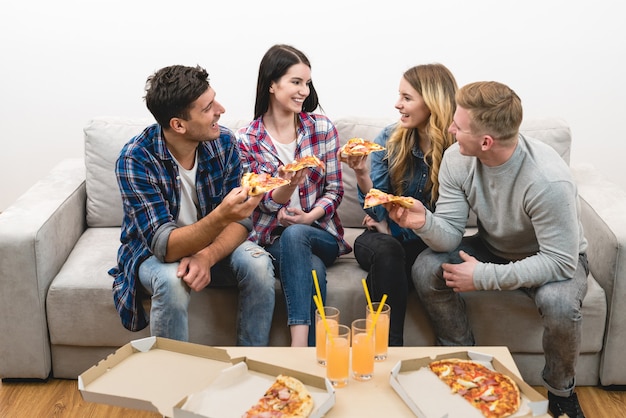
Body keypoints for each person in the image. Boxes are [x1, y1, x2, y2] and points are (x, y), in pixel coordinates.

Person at [389, 81, 589, 417]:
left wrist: (483, 276)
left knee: (558, 303)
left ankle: (560, 390)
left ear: (486, 141)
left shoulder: (548, 180)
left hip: (551, 256)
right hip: (492, 246)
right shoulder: (457, 158)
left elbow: (560, 262)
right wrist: (423, 221)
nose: (449, 129)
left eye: (458, 126)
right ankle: (465, 364)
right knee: (426, 267)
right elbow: (450, 236)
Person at [108, 65, 276, 346]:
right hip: (152, 253)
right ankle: (174, 382)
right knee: (171, 282)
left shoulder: (223, 143)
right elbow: (165, 246)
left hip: (212, 245)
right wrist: (222, 215)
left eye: (215, 99)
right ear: (178, 124)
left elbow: (241, 223)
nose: (220, 110)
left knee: (258, 265)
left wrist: (206, 257)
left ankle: (251, 364)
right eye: (208, 107)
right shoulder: (135, 159)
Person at [236, 44, 351, 347]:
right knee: (310, 266)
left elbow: (335, 190)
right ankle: (312, 354)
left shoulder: (322, 128)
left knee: (299, 232)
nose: (304, 90)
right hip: (273, 238)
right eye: (296, 82)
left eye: (307, 83)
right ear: (272, 84)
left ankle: (296, 351)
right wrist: (287, 187)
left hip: (320, 234)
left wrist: (310, 215)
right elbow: (258, 202)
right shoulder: (247, 139)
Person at [340, 63, 458, 346]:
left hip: (423, 241)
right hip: (379, 241)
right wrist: (362, 173)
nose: (397, 104)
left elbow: (449, 220)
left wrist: (392, 228)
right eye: (399, 96)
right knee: (389, 252)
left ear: (432, 102)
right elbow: (376, 210)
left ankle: (372, 343)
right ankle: (389, 349)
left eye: (407, 97)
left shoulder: (457, 149)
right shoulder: (389, 139)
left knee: (396, 269)